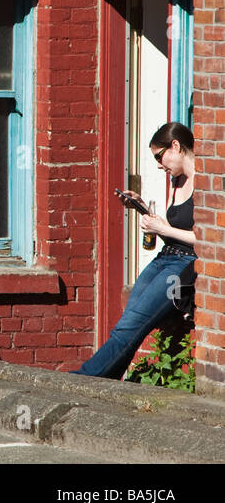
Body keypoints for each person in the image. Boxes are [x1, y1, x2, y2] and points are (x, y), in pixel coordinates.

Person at [74, 122, 198, 379]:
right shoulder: (177, 181)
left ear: (175, 146)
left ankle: (85, 378)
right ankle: (104, 382)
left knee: (131, 326)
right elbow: (171, 228)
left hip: (184, 266)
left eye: (159, 157)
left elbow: (207, 240)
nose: (159, 165)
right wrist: (143, 209)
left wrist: (162, 229)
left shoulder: (206, 183)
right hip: (165, 259)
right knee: (125, 326)